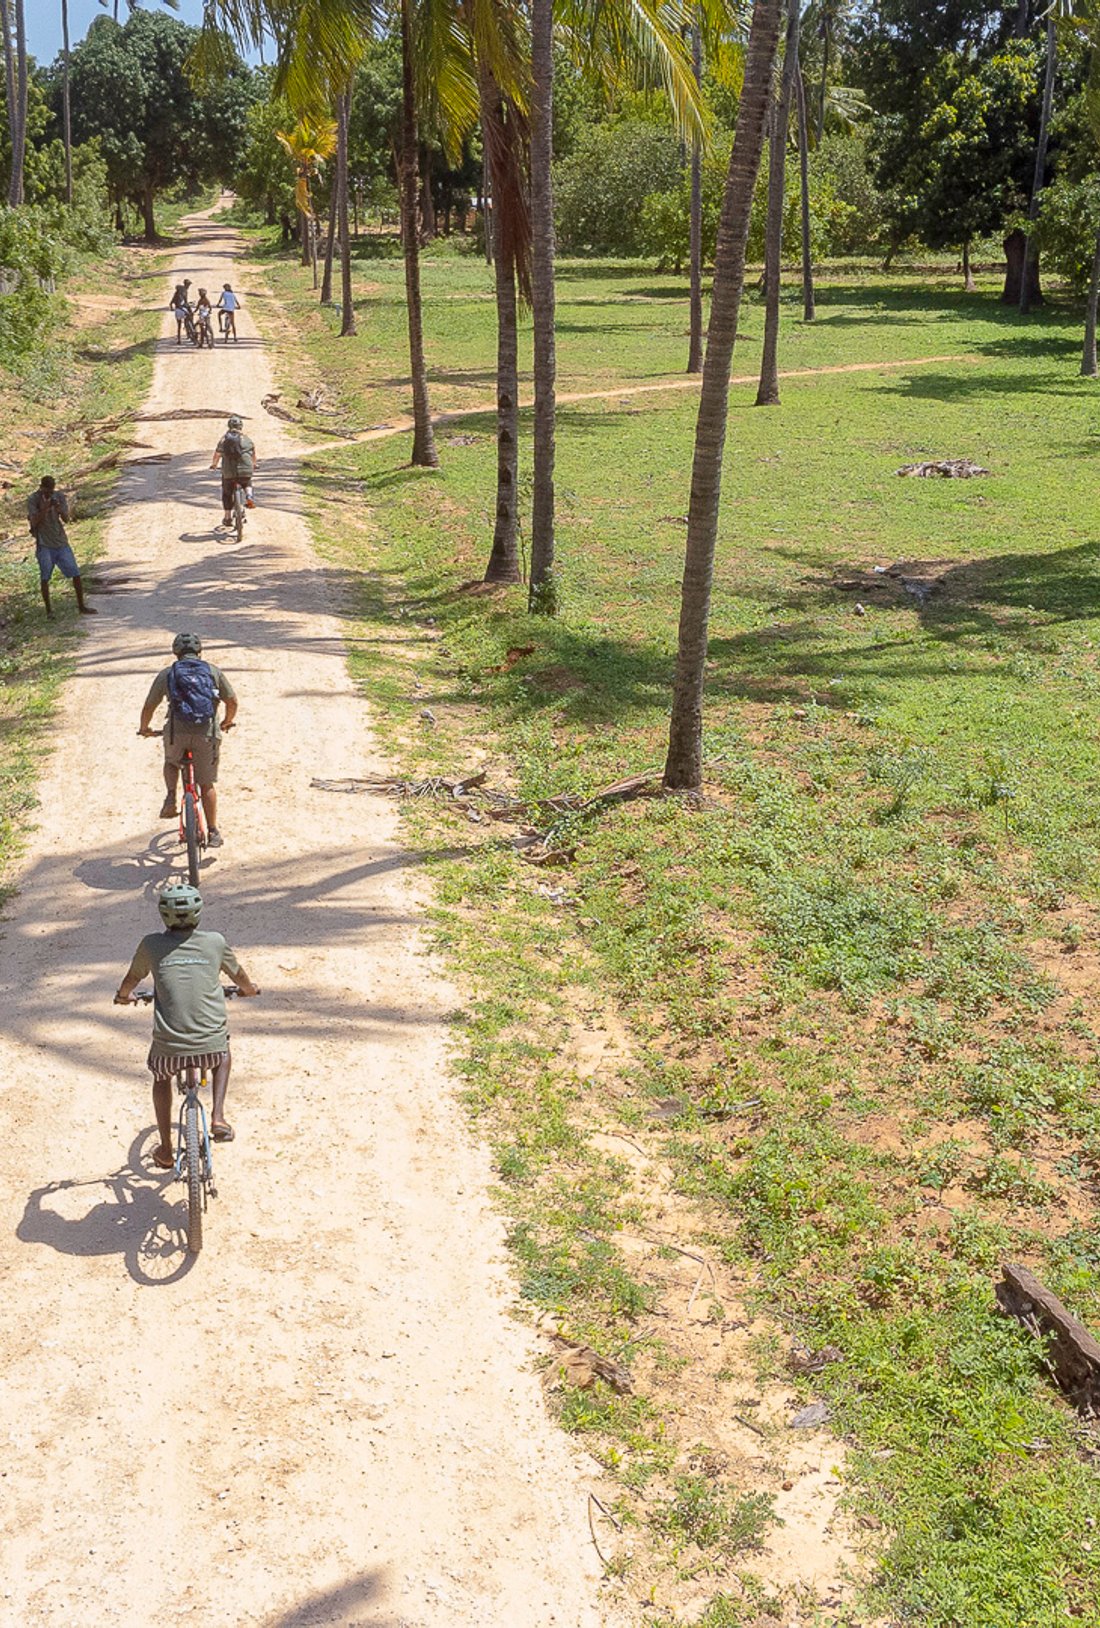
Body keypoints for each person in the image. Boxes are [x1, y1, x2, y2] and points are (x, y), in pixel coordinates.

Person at [114, 883, 260, 1167]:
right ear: (198, 912)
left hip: (168, 1049)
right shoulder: (215, 942)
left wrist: (123, 997)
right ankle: (218, 1116)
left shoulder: (151, 945)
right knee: (224, 1054)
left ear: (163, 915)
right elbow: (240, 977)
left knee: (160, 1078)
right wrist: (249, 990)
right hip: (211, 1048)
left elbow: (131, 980)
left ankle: (167, 1150)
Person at [138, 631, 237, 848]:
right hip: (207, 733)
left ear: (175, 652)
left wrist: (145, 728)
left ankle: (171, 797)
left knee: (171, 761)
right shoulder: (213, 671)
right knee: (206, 783)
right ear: (200, 651)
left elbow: (149, 706)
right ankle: (212, 831)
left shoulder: (168, 673)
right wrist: (227, 722)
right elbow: (232, 701)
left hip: (176, 732)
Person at [27, 475, 96, 619]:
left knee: (75, 574)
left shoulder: (59, 497)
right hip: (44, 543)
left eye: (51, 490)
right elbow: (33, 522)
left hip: (60, 541)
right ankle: (49, 611)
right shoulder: (33, 499)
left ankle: (81, 605)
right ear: (42, 488)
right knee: (45, 577)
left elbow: (66, 519)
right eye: (47, 491)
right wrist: (45, 508)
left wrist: (59, 509)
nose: (49, 493)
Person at [210, 413, 257, 527]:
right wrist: (254, 465)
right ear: (241, 426)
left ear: (229, 426)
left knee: (227, 493)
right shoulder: (247, 440)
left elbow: (217, 455)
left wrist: (214, 465)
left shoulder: (224, 440)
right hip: (245, 469)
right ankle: (249, 495)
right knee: (246, 481)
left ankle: (227, 517)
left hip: (228, 472)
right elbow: (253, 455)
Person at [169, 280, 193, 345]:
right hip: (183, 309)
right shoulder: (184, 292)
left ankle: (179, 340)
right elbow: (186, 302)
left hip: (177, 311)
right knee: (188, 318)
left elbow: (171, 303)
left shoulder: (176, 294)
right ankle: (189, 333)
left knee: (179, 326)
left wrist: (172, 308)